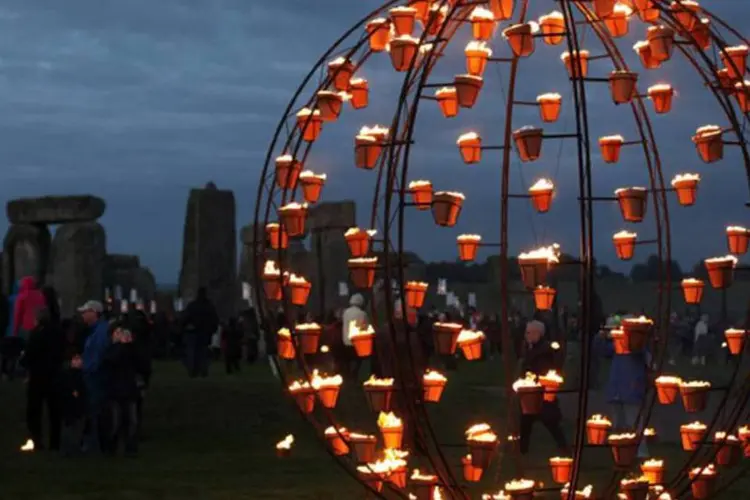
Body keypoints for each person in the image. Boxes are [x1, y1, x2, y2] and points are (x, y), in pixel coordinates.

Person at [599, 316, 650, 458]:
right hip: (616, 390)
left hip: (632, 390)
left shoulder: (638, 346)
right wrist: (602, 336)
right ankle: (620, 450)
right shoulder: (617, 346)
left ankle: (640, 451)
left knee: (635, 422)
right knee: (617, 424)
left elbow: (640, 353)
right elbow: (602, 350)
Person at [518, 320, 569, 456]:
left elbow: (545, 368)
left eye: (529, 332)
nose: (526, 335)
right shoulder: (532, 348)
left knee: (550, 420)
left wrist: (533, 375)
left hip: (543, 390)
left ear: (538, 334)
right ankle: (522, 448)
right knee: (526, 420)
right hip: (531, 392)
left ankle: (562, 446)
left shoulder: (544, 350)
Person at [21, 307, 64, 450]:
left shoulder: (37, 334)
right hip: (54, 374)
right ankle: (55, 442)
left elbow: (30, 353)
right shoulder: (57, 332)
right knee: (54, 411)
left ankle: (36, 440)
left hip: (38, 375)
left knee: (34, 410)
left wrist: (25, 363)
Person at [102, 323, 146, 456]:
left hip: (129, 389)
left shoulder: (132, 349)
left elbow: (141, 364)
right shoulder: (111, 350)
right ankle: (111, 447)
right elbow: (111, 361)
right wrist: (120, 346)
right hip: (115, 390)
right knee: (116, 421)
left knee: (132, 420)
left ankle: (130, 448)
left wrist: (129, 346)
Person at [76, 300, 110, 453]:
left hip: (95, 377)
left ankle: (94, 443)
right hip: (92, 374)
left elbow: (98, 356)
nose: (82, 315)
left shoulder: (100, 333)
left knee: (94, 410)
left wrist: (85, 367)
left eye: (85, 312)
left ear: (94, 313)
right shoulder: (97, 331)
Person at [181, 287, 219, 378]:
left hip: (194, 332)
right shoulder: (209, 306)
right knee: (203, 353)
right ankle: (203, 370)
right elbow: (215, 320)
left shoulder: (193, 306)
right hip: (204, 332)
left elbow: (185, 318)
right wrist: (212, 330)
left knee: (192, 352)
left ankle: (193, 371)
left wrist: (183, 327)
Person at [341, 294, 368, 379]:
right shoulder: (362, 314)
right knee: (358, 360)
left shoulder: (345, 312)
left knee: (348, 360)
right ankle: (355, 374)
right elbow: (365, 327)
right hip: (357, 342)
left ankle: (347, 374)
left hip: (345, 341)